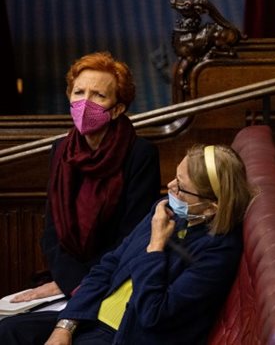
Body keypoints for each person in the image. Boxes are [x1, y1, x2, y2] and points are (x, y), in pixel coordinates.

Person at [0, 144, 254, 344]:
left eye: (182, 188)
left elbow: (154, 315)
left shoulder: (218, 252)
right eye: (175, 178)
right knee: (8, 331)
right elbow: (107, 267)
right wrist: (65, 325)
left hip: (125, 335)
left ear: (212, 208)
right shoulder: (164, 210)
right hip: (90, 317)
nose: (170, 188)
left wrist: (155, 246)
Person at [6, 53, 159, 308]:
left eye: (99, 95)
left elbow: (131, 236)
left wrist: (82, 283)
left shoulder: (140, 154)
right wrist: (69, 282)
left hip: (113, 279)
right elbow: (51, 230)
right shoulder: (61, 149)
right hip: (65, 280)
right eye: (79, 92)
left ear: (117, 108)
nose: (85, 103)